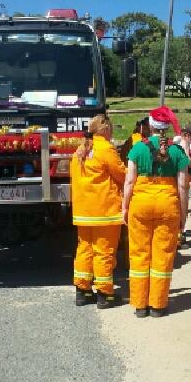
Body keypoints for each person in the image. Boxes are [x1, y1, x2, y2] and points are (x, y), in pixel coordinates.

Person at [123, 106, 190, 318]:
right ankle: (158, 305)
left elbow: (129, 181)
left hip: (140, 203)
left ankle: (140, 305)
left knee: (139, 254)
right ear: (167, 128)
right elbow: (182, 186)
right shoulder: (177, 152)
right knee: (163, 255)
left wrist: (125, 206)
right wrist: (184, 213)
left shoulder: (137, 149)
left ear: (149, 126)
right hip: (167, 204)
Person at [70, 114, 126, 309]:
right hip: (104, 210)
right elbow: (122, 174)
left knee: (84, 249)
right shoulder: (106, 149)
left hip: (83, 211)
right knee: (104, 252)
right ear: (106, 130)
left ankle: (82, 290)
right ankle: (105, 294)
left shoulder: (80, 150)